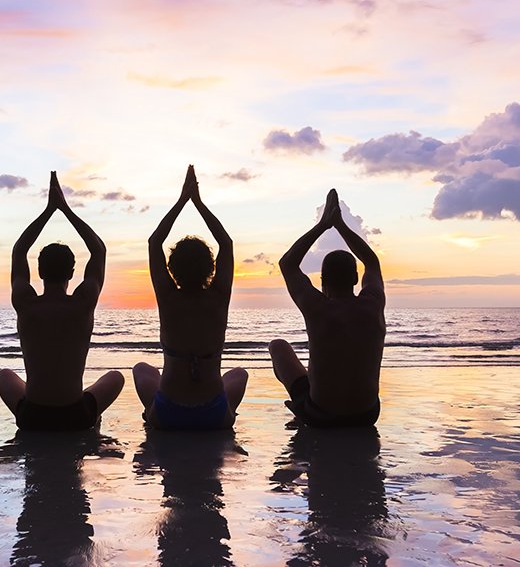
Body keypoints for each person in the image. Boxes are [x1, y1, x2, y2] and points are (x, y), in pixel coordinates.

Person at [0, 172, 125, 431]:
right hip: (75, 417)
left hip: (32, 417)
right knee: (116, 377)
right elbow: (98, 250)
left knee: (4, 376)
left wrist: (48, 211)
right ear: (72, 274)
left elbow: (19, 250)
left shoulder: (25, 302)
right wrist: (65, 209)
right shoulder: (82, 303)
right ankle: (94, 418)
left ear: (40, 272)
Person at [134, 165, 247, 430]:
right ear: (211, 268)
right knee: (239, 374)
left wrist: (182, 201)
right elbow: (226, 243)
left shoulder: (168, 297)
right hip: (215, 415)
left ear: (171, 269)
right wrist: (198, 202)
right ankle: (226, 412)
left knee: (142, 369)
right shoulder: (219, 297)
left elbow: (154, 242)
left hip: (167, 413)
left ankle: (150, 412)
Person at [270, 189, 385, 428]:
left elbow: (288, 264)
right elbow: (372, 262)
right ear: (355, 278)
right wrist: (341, 225)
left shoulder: (316, 307)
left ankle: (301, 407)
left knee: (278, 346)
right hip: (367, 415)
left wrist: (323, 225)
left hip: (321, 415)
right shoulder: (373, 304)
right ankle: (306, 401)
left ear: (322, 280)